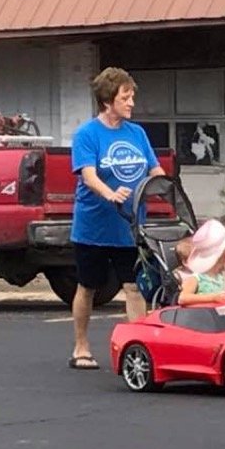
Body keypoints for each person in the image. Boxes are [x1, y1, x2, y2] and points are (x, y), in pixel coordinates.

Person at [69, 67, 165, 370]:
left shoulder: (137, 133)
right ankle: (81, 347)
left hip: (130, 226)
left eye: (132, 96)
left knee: (134, 286)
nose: (132, 102)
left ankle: (139, 352)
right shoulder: (87, 134)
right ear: (108, 100)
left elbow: (155, 171)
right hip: (93, 228)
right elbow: (88, 175)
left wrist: (166, 187)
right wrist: (109, 194)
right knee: (88, 286)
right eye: (126, 97)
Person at [178, 219, 225, 305]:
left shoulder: (223, 276)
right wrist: (213, 298)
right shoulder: (197, 278)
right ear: (221, 256)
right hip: (202, 315)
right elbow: (182, 298)